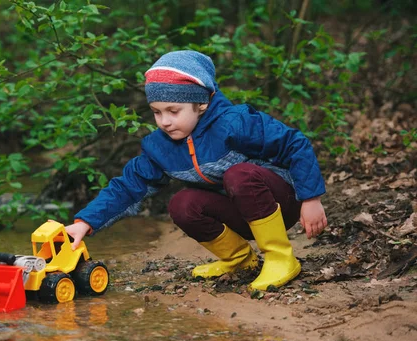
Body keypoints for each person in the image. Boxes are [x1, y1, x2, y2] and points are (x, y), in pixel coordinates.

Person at [65, 50, 327, 290]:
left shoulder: (234, 123)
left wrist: (310, 198)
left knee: (238, 174)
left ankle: (280, 258)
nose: (165, 122)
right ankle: (239, 260)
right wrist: (86, 222)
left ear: (201, 104)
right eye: (156, 112)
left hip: (280, 204)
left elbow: (295, 144)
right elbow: (128, 186)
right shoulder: (160, 147)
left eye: (173, 111)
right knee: (182, 203)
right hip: (240, 214)